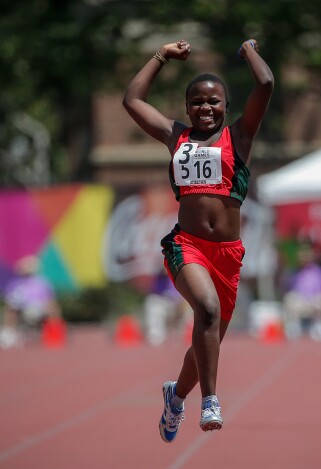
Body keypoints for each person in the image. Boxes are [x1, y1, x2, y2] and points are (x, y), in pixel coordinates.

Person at [123, 38, 274, 442]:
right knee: (205, 310)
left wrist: (248, 50)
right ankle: (210, 400)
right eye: (197, 102)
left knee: (207, 340)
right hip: (185, 245)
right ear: (187, 107)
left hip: (228, 255)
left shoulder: (239, 137)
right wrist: (160, 55)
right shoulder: (177, 138)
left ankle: (176, 397)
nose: (205, 108)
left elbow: (265, 85)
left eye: (214, 102)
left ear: (226, 106)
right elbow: (133, 100)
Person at [0, 255, 60, 349]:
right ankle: (8, 333)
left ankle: (56, 330)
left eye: (29, 267)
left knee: (52, 307)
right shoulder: (15, 284)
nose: (27, 270)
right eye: (25, 267)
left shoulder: (42, 283)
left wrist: (48, 308)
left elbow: (50, 300)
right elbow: (11, 300)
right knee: (10, 309)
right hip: (22, 309)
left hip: (39, 309)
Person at [282, 245, 321, 341]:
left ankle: (320, 327)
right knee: (290, 299)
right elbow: (288, 287)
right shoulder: (295, 271)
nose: (304, 260)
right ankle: (293, 327)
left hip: (316, 300)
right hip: (301, 300)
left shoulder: (319, 271)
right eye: (302, 257)